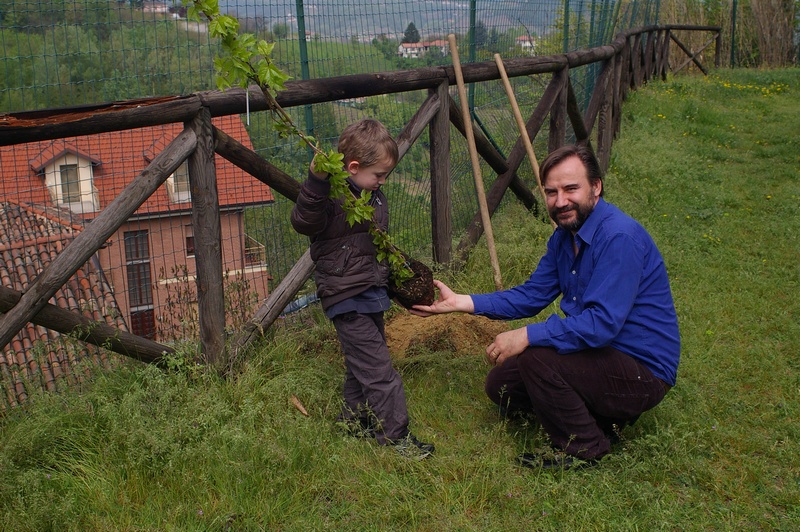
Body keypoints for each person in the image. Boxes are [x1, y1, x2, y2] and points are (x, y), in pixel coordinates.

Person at [412, 144, 679, 469]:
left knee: (539, 359)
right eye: (551, 192)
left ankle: (586, 447)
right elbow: (531, 295)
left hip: (642, 370)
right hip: (600, 353)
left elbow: (600, 325)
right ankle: (600, 415)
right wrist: (461, 302)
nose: (560, 201)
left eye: (570, 189)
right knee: (502, 387)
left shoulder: (619, 238)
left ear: (596, 187)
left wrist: (527, 335)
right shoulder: (565, 238)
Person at [291, 118, 434, 459]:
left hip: (371, 290)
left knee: (363, 364)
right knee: (380, 370)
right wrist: (316, 180)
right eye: (379, 175)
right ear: (352, 167)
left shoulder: (374, 196)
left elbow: (374, 244)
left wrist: (395, 275)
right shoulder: (331, 195)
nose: (383, 182)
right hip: (345, 294)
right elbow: (303, 221)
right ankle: (396, 437)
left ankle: (352, 422)